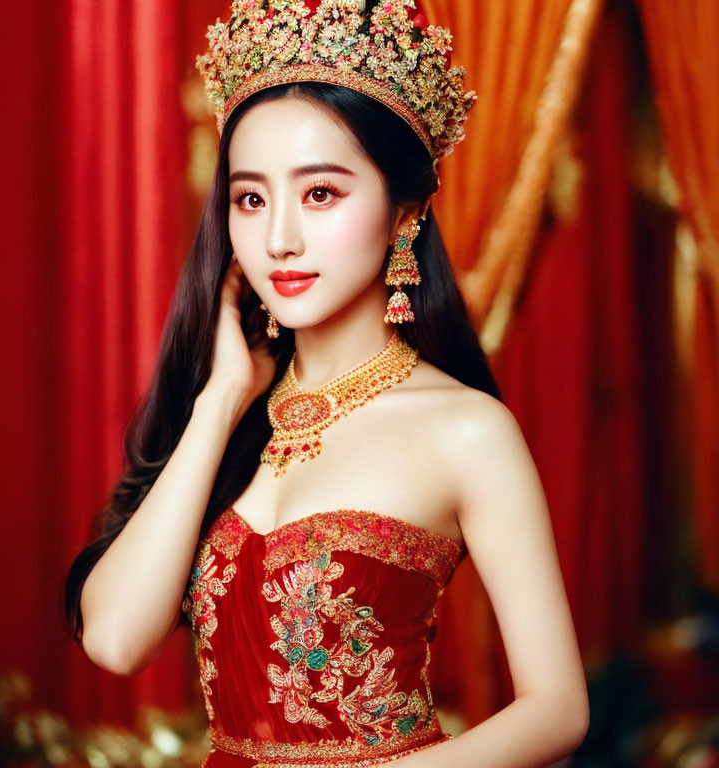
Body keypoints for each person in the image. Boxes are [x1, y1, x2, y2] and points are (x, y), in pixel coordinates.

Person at [63, 0, 590, 765]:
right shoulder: (235, 411)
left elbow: (556, 709)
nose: (279, 238)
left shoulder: (466, 429)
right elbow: (114, 639)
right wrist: (216, 406)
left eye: (320, 194)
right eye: (251, 198)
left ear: (403, 212)